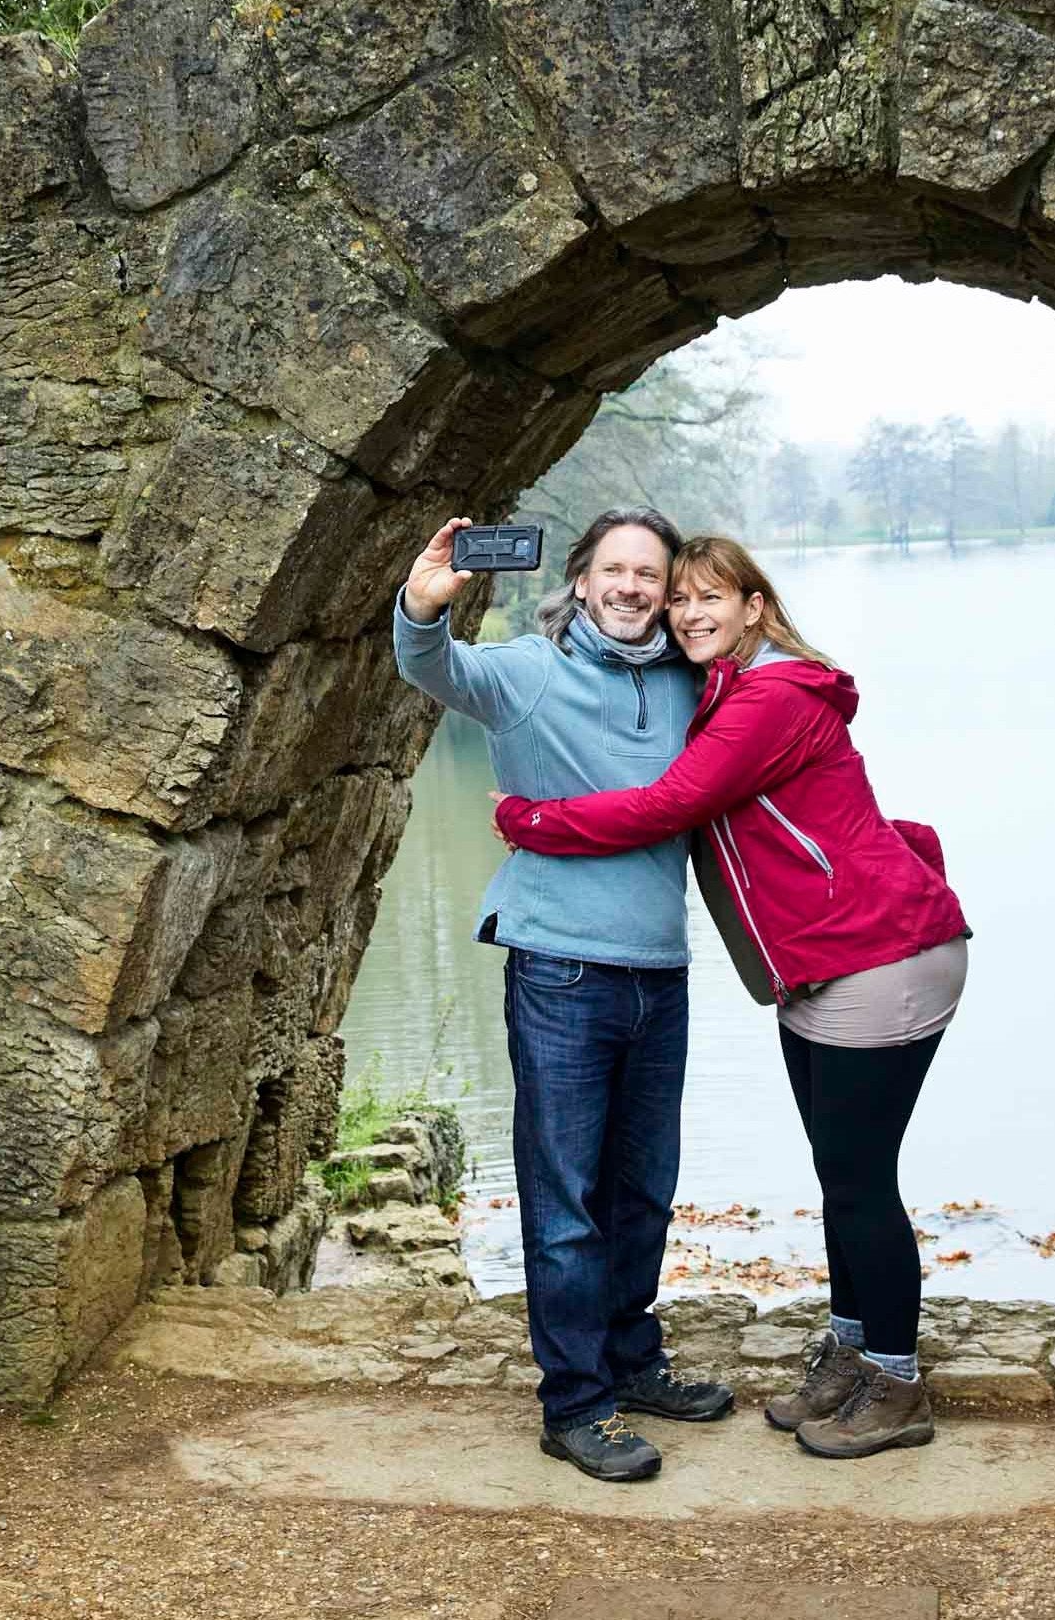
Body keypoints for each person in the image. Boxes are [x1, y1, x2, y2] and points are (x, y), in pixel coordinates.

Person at [493, 534, 970, 1460]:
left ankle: (899, 1384)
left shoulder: (770, 698)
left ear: (756, 606)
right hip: (826, 960)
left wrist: (529, 819)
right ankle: (850, 1355)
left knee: (863, 1182)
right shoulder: (727, 692)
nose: (689, 613)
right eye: (679, 600)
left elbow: (669, 804)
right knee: (843, 1179)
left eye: (712, 597)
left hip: (879, 950)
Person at [392, 509, 737, 1484]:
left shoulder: (687, 684)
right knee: (565, 1206)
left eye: (650, 575)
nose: (631, 588)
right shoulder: (529, 672)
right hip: (558, 971)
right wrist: (425, 605)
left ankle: (632, 1361)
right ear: (582, 580)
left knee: (643, 1190)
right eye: (615, 570)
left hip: (660, 972)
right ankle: (576, 1405)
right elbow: (436, 671)